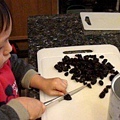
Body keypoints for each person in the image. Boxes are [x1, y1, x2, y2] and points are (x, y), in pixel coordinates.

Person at [0, 0, 68, 119]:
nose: (9, 48)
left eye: (7, 40)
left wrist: (40, 81)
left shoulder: (3, 61)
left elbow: (15, 65)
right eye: (0, 46)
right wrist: (16, 112)